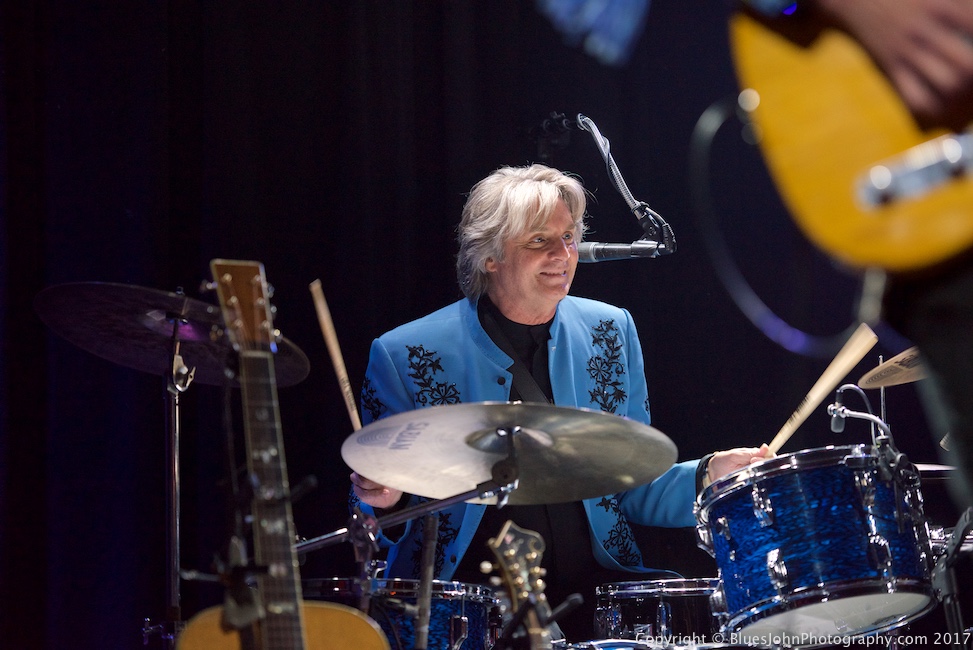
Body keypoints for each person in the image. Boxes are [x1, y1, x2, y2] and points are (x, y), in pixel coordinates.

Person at [349, 163, 772, 642]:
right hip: (463, 609)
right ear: (489, 256)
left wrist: (711, 475)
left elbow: (632, 483)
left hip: (595, 597)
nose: (562, 254)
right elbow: (373, 512)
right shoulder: (407, 352)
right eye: (538, 240)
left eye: (568, 237)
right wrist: (383, 496)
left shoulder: (611, 330)